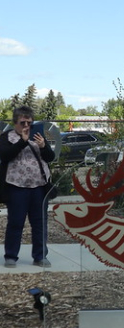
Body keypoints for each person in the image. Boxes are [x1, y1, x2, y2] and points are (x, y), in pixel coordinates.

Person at [1, 105, 56, 268]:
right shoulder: (6, 137)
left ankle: (40, 256)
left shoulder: (37, 138)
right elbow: (5, 155)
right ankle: (11, 256)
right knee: (15, 223)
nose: (26, 127)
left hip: (39, 187)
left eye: (30, 123)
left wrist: (43, 146)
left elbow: (50, 158)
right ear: (15, 123)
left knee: (40, 223)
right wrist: (22, 142)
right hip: (16, 186)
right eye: (23, 123)